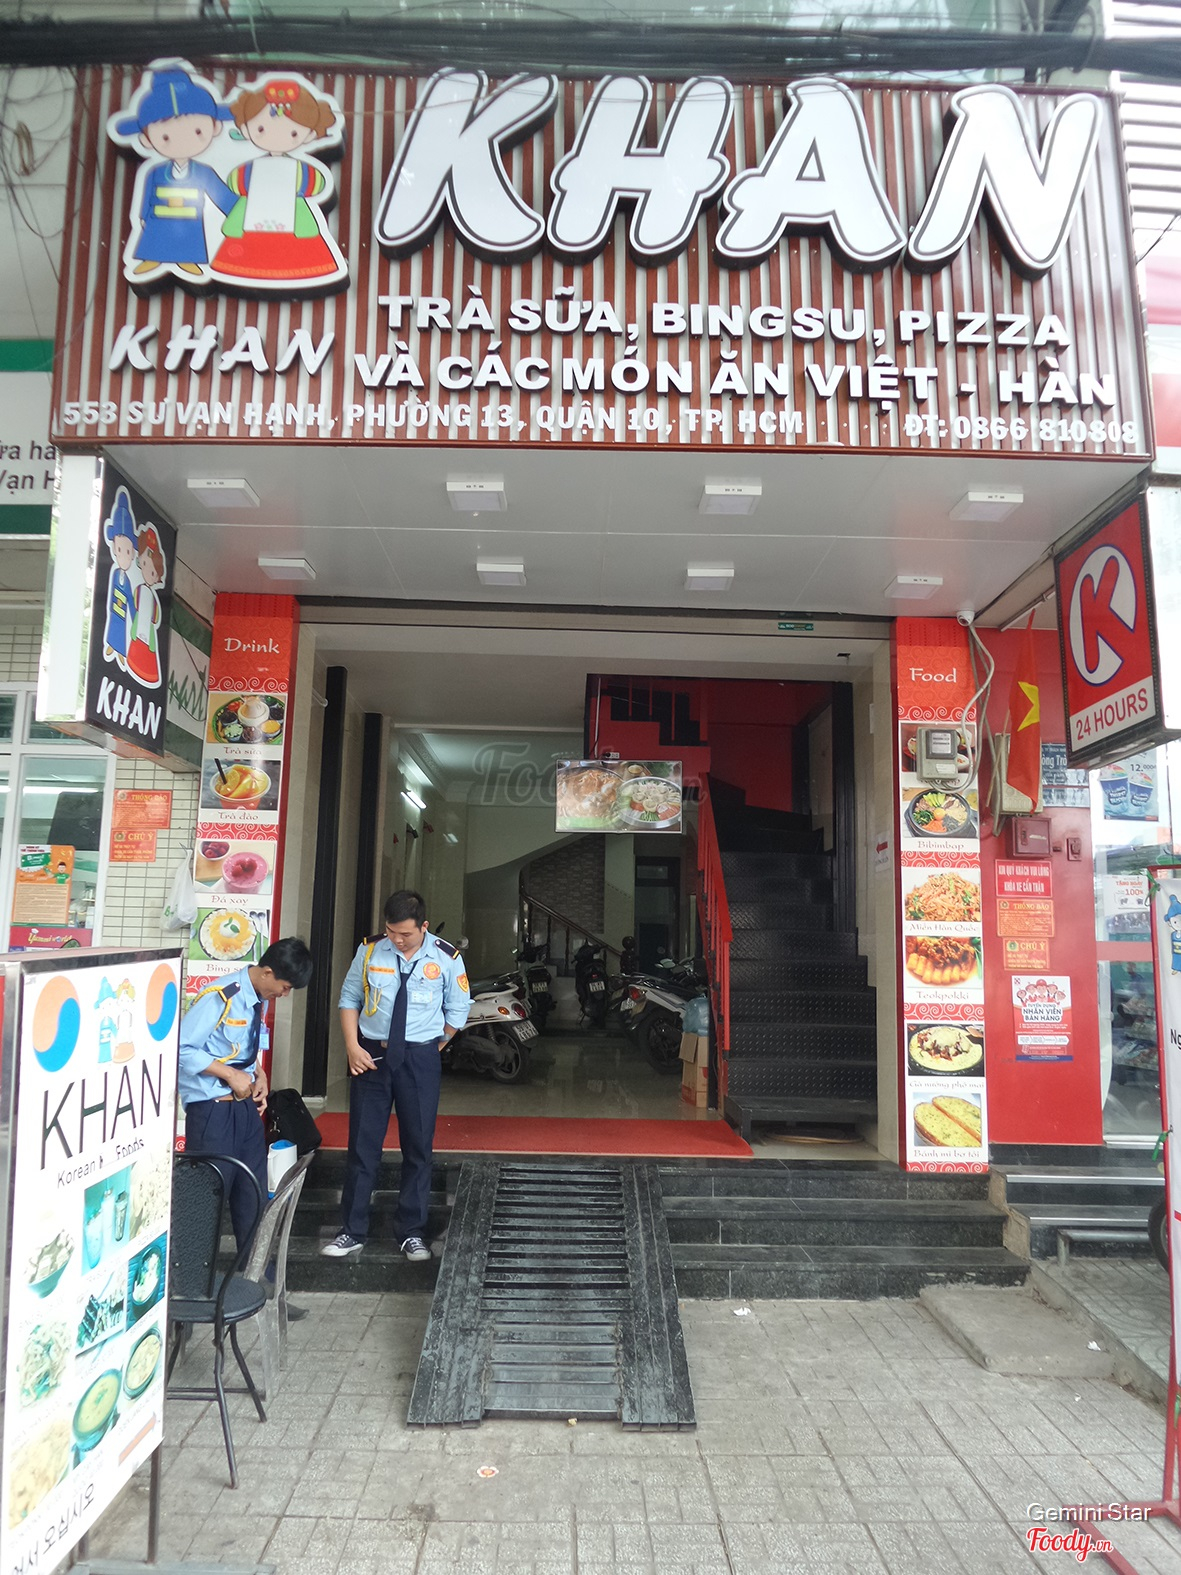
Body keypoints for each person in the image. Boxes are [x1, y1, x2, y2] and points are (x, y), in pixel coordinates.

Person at [323, 890, 470, 1262]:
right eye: (391, 931)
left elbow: (458, 1010)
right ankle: (351, 1231)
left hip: (420, 1058)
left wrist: (431, 1047)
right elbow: (349, 998)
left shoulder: (447, 957)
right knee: (363, 1145)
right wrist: (352, 1046)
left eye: (405, 933)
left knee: (418, 1147)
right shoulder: (370, 951)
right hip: (371, 1055)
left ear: (423, 926)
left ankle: (412, 1232)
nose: (397, 940)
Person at [179, 937, 313, 1260]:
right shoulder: (221, 997)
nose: (284, 994)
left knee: (253, 1198)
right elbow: (181, 1048)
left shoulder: (257, 999)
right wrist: (229, 1074)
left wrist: (259, 1075)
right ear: (267, 972)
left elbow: (242, 1049)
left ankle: (255, 1280)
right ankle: (196, 1282)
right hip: (212, 1113)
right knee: (207, 1200)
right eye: (284, 987)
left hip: (245, 1110)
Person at [211, 77, 346, 286]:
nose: (277, 136)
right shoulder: (247, 170)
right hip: (252, 223)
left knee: (295, 258)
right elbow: (237, 186)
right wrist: (235, 224)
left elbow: (315, 185)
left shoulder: (301, 170)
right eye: (261, 129)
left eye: (293, 132)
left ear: (310, 134)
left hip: (289, 222)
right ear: (245, 129)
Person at [111, 65, 236, 279]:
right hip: (158, 217)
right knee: (154, 239)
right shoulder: (155, 172)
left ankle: (188, 261)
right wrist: (143, 216)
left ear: (215, 128)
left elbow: (221, 195)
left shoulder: (204, 172)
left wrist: (239, 209)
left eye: (197, 131)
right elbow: (146, 195)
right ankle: (152, 259)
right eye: (165, 137)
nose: (182, 141)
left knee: (189, 241)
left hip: (190, 218)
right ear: (146, 140)